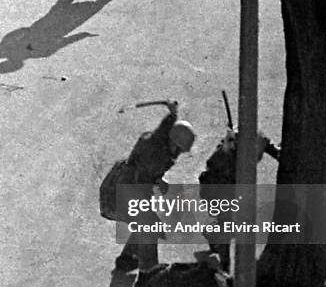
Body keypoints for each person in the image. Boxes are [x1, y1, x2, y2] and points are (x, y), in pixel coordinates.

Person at [99, 101, 196, 272]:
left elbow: (164, 130)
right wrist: (155, 181)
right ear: (173, 143)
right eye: (180, 149)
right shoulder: (155, 155)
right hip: (118, 196)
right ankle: (149, 273)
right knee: (149, 227)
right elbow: (143, 176)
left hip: (122, 187)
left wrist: (172, 114)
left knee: (145, 223)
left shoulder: (160, 141)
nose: (179, 153)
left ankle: (127, 259)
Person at [199, 127, 280, 272]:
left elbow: (274, 150)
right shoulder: (224, 155)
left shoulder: (259, 139)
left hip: (237, 187)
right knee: (228, 224)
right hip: (217, 188)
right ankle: (224, 264)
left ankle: (211, 233)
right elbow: (210, 171)